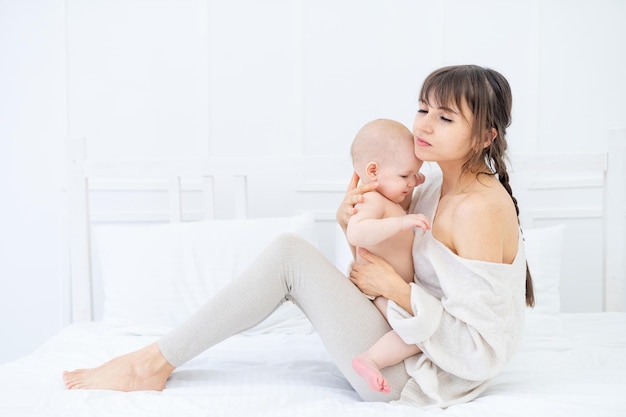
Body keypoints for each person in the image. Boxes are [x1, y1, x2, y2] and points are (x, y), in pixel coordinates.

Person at [63, 64, 534, 408]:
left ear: (485, 136)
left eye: (446, 118)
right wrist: (350, 219)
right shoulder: (429, 186)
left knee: (289, 256)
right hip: (396, 336)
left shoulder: (479, 210)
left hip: (418, 378)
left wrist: (398, 291)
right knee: (292, 258)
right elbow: (383, 255)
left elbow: (483, 351)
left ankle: (150, 365)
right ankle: (153, 361)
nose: (424, 125)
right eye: (423, 108)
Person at [346, 118, 430, 394]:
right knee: (419, 335)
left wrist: (412, 178)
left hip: (391, 289)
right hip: (378, 293)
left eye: (414, 175)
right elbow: (356, 233)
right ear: (373, 171)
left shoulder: (389, 199)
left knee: (419, 329)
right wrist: (401, 224)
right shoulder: (370, 200)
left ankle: (373, 357)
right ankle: (370, 360)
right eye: (405, 176)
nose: (411, 183)